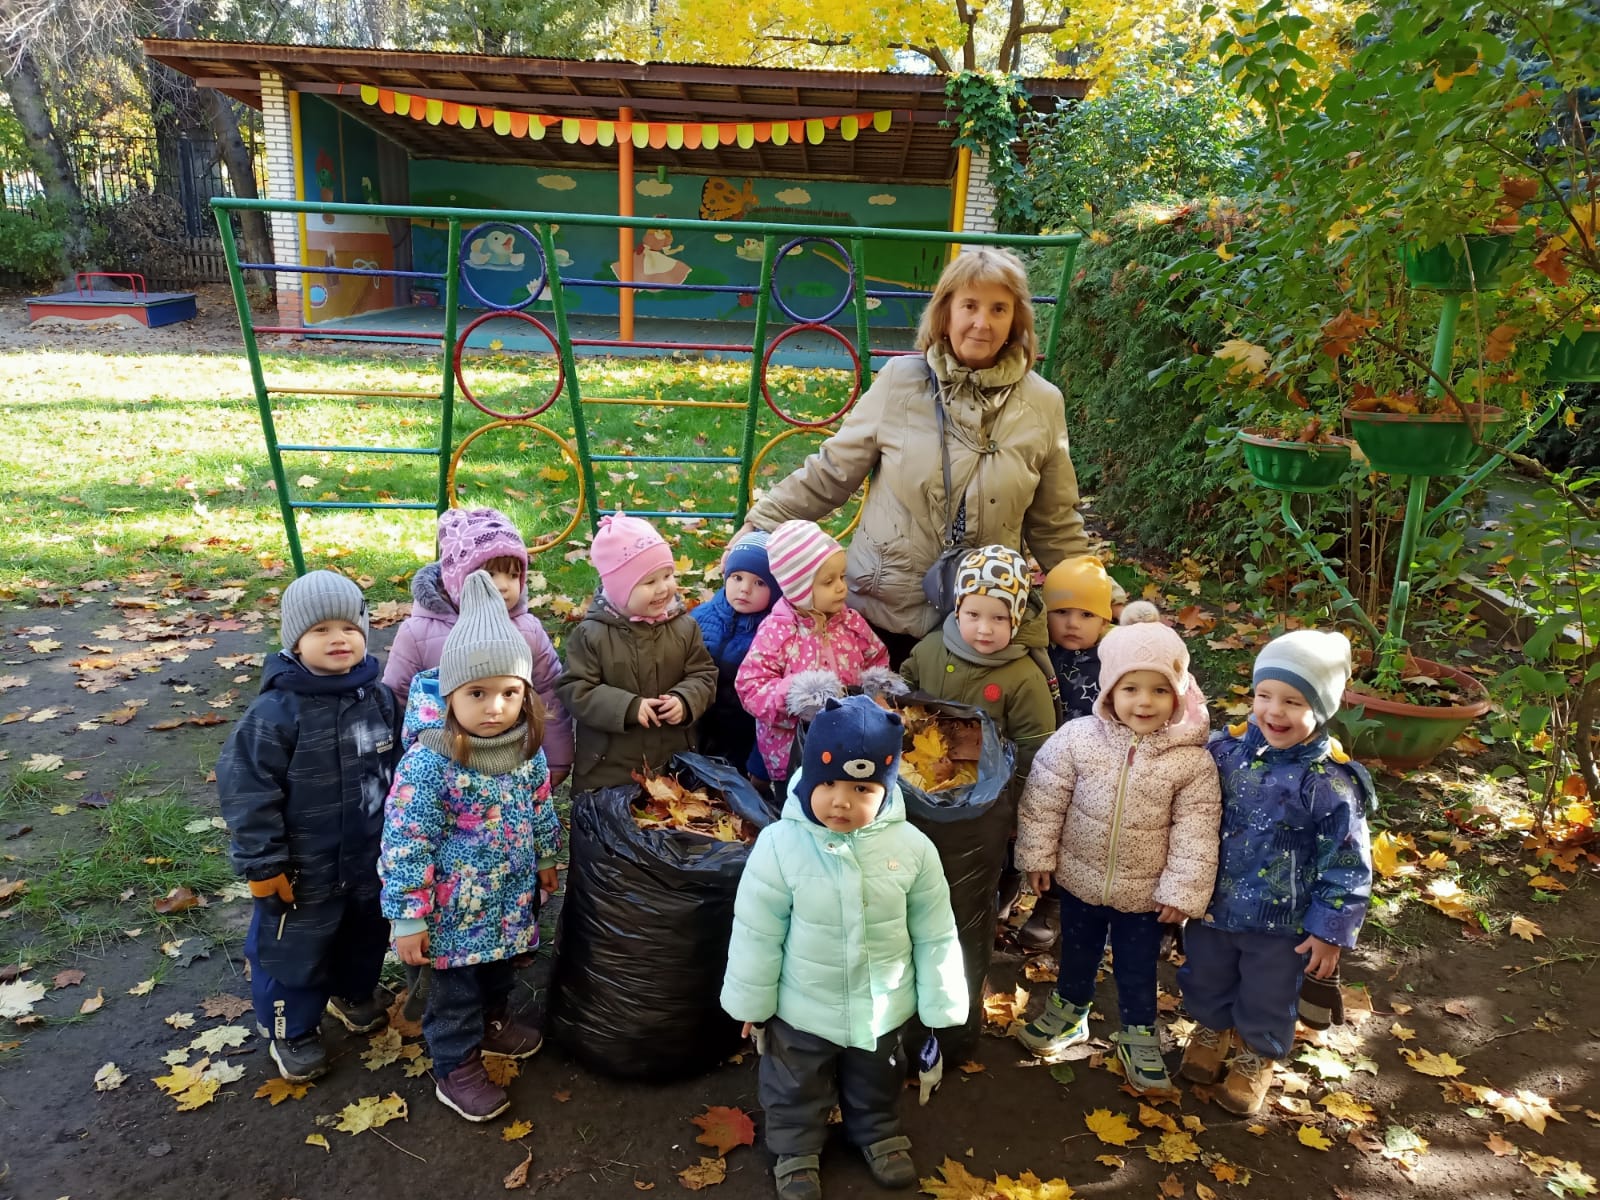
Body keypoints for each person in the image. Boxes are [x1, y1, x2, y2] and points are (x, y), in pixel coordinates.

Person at [727, 248, 1090, 666]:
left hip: (983, 622)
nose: (982, 322)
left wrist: (1096, 596)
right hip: (882, 614)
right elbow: (832, 471)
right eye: (969, 306)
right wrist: (763, 520)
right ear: (945, 313)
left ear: (1016, 320)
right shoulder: (900, 382)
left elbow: (1055, 522)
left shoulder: (1042, 403)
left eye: (998, 309)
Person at [721, 696, 969, 1200]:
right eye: (828, 784)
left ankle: (876, 1131)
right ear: (809, 779)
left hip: (883, 1007)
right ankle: (795, 1149)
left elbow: (935, 930)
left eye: (862, 789)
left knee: (878, 1077)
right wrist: (752, 1003)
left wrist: (940, 1001)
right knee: (794, 1084)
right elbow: (757, 930)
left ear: (887, 788)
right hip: (801, 1007)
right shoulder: (780, 845)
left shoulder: (912, 849)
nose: (841, 802)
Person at [1012, 604, 1221, 1093]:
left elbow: (1196, 831)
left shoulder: (1190, 763)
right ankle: (1069, 1011)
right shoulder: (1078, 739)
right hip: (1079, 876)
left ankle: (1139, 1032)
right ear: (1109, 690)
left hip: (1145, 893)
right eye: (1130, 689)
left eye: (1159, 690)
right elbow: (1044, 796)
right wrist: (1038, 856)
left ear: (1178, 694)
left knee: (1137, 964)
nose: (1144, 702)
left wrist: (1180, 892)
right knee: (1077, 950)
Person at [379, 571, 562, 1122]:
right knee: (454, 995)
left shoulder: (525, 750)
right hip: (451, 915)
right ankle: (454, 1064)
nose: (494, 707)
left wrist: (546, 857)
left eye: (510, 693)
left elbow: (540, 806)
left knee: (500, 972)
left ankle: (492, 1023)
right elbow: (405, 842)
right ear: (450, 695)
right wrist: (408, 915)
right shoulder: (430, 763)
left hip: (509, 900)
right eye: (477, 694)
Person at [1176, 630, 1374, 1116]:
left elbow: (1348, 862)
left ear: (1321, 708)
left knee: (1269, 993)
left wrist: (1329, 931)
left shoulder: (1328, 783)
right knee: (1205, 974)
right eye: (1264, 695)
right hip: (1212, 905)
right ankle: (1212, 1029)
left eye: (1293, 701)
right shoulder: (1224, 754)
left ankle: (1256, 1054)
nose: (1274, 712)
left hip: (1282, 923)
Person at [217, 571, 401, 1084]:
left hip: (369, 859)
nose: (338, 638)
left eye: (349, 627)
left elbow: (401, 772)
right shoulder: (275, 713)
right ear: (295, 641)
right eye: (321, 630)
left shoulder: (380, 699)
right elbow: (248, 791)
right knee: (292, 951)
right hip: (302, 870)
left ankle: (352, 992)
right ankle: (291, 1029)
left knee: (365, 934)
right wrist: (263, 862)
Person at [382, 507, 573, 787]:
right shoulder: (418, 633)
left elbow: (547, 694)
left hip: (511, 762)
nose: (504, 586)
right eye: (490, 574)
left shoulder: (527, 631)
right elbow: (397, 699)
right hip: (441, 765)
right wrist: (399, 763)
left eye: (513, 575)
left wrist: (556, 759)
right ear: (457, 577)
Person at [556, 512, 719, 793]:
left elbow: (703, 674)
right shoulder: (591, 634)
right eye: (649, 582)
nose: (663, 588)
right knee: (613, 819)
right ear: (620, 589)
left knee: (669, 814)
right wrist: (628, 707)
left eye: (667, 575)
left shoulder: (684, 627)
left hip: (673, 761)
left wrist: (685, 699)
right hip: (610, 768)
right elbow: (576, 689)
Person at [735, 520, 892, 788]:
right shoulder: (778, 632)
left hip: (848, 739)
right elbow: (751, 686)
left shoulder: (851, 622)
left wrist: (875, 692)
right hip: (791, 749)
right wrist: (794, 695)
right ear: (799, 590)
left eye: (842, 577)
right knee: (796, 792)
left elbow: (876, 657)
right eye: (828, 582)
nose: (841, 587)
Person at [690, 530, 779, 779]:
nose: (744, 589)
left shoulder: (775, 633)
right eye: (737, 577)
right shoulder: (699, 618)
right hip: (697, 723)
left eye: (759, 583)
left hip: (745, 733)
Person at [1042, 555, 1116, 723]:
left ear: (1104, 623)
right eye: (1061, 612)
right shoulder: (1038, 653)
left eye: (1086, 615)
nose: (1073, 624)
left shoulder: (1115, 659)